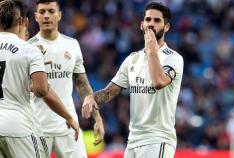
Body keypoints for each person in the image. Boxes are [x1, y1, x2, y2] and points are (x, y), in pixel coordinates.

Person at [82, 2, 184, 158]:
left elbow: (158, 82)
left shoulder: (173, 58)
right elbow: (109, 93)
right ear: (142, 24)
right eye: (148, 20)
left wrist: (151, 49)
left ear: (167, 27)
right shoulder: (132, 59)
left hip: (158, 139)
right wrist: (91, 97)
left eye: (157, 21)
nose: (151, 24)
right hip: (133, 141)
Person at [0, 0, 80, 158]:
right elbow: (42, 90)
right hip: (18, 127)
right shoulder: (30, 50)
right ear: (24, 21)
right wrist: (69, 116)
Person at [28, 0, 105, 157]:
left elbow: (82, 84)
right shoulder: (27, 48)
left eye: (51, 11)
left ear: (59, 15)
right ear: (36, 17)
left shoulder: (72, 45)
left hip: (69, 126)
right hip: (37, 128)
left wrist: (97, 119)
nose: (47, 16)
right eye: (42, 12)